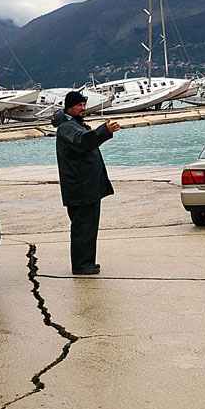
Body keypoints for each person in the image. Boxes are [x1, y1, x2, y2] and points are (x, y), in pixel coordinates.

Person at [51, 91, 121, 275]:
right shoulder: (67, 128)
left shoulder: (75, 124)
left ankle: (87, 262)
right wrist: (104, 131)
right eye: (79, 105)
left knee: (88, 227)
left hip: (87, 187)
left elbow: (86, 139)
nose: (83, 108)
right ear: (69, 108)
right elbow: (83, 141)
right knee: (83, 227)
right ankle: (81, 265)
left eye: (84, 105)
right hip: (80, 188)